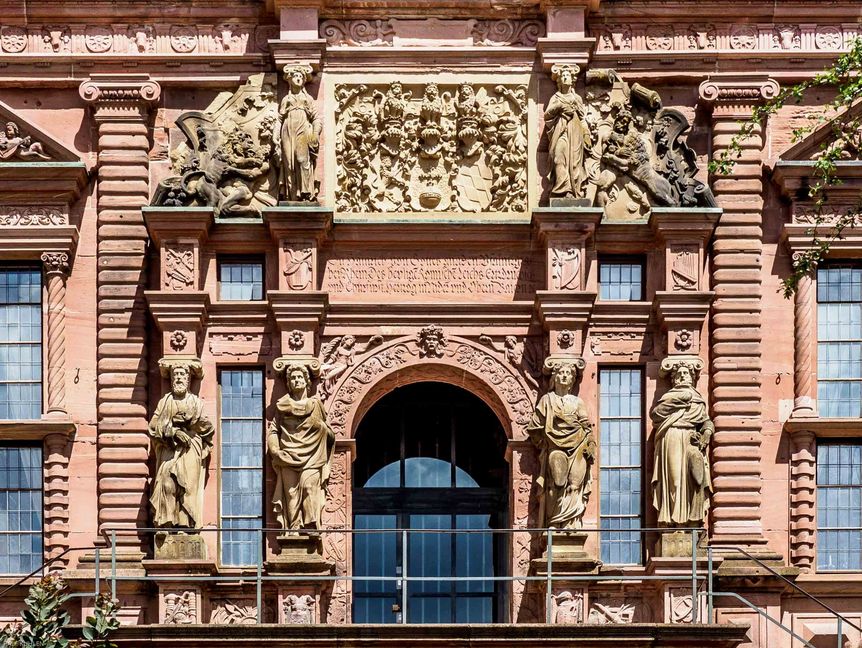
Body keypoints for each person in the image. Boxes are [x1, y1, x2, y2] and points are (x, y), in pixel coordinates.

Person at [527, 360, 596, 529]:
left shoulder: (577, 402)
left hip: (578, 444)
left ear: (573, 379)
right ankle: (555, 521)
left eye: (568, 373)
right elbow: (535, 427)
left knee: (574, 486)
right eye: (561, 373)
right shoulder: (546, 400)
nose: (564, 376)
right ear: (555, 377)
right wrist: (543, 443)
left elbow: (586, 425)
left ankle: (570, 524)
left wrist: (591, 442)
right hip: (555, 447)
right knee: (557, 483)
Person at [268, 363, 335, 531]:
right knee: (291, 493)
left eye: (299, 377)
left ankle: (311, 525)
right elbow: (274, 430)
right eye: (292, 378)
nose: (296, 380)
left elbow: (329, 433)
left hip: (313, 455)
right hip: (288, 454)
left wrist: (321, 429)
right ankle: (294, 530)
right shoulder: (282, 405)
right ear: (289, 383)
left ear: (306, 381)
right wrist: (275, 450)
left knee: (308, 486)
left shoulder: (316, 404)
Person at [149, 363, 214, 529]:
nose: (178, 378)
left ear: (188, 378)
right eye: (175, 375)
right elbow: (153, 426)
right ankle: (166, 524)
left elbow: (208, 428)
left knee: (187, 487)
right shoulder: (165, 402)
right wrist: (173, 431)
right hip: (169, 450)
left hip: (191, 449)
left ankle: (185, 526)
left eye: (182, 375)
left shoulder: (196, 403)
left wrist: (191, 422)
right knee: (166, 483)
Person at [650, 358, 713, 526]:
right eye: (679, 373)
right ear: (674, 378)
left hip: (691, 440)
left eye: (686, 373)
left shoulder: (698, 399)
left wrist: (706, 433)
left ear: (692, 377)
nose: (683, 375)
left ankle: (691, 522)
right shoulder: (668, 397)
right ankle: (673, 523)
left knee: (696, 479)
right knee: (674, 481)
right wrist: (678, 401)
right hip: (672, 436)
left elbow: (706, 421)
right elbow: (655, 415)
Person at [545, 64, 592, 199]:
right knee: (558, 157)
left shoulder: (577, 99)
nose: (566, 77)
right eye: (563, 75)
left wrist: (587, 134)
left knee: (575, 162)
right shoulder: (556, 97)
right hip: (561, 131)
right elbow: (547, 114)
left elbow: (582, 118)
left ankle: (572, 192)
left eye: (568, 76)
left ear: (572, 80)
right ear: (559, 80)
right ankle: (561, 189)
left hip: (576, 132)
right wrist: (560, 107)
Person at [279, 65, 321, 201]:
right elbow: (279, 119)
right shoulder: (286, 100)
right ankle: (291, 196)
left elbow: (316, 118)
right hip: (287, 131)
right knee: (289, 163)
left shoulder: (308, 99)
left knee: (302, 159)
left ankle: (306, 193)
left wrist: (315, 134)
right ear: (290, 79)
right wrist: (275, 135)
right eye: (296, 76)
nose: (298, 79)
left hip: (304, 130)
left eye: (301, 77)